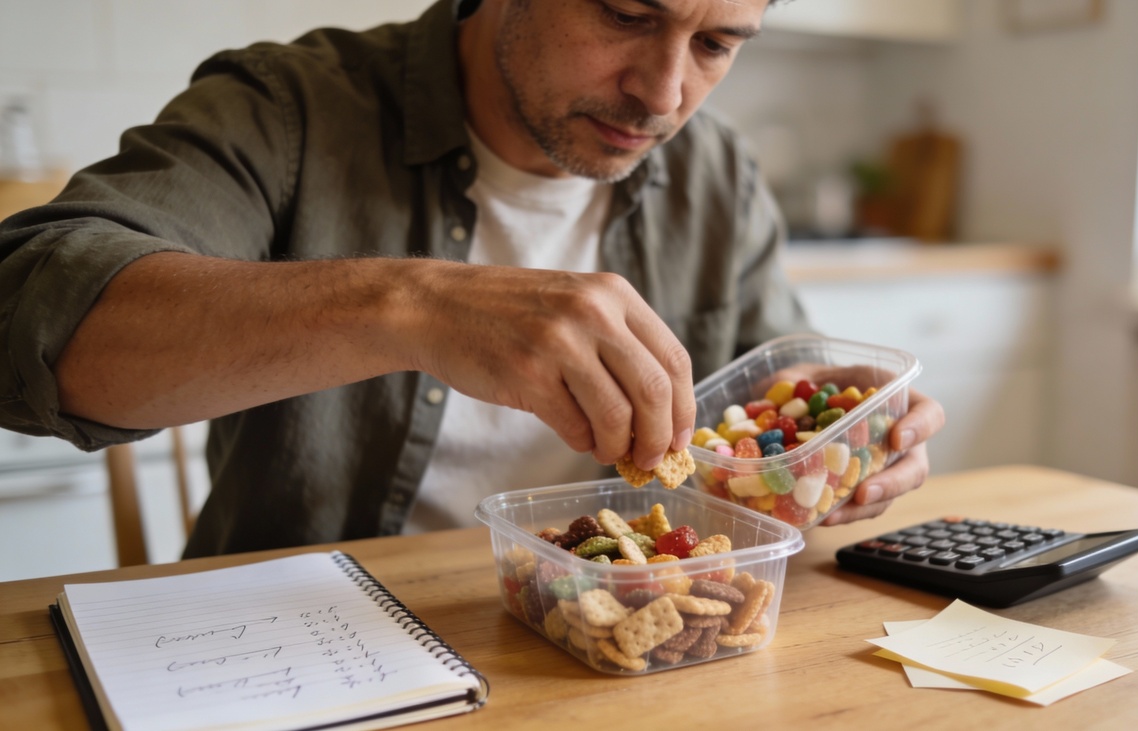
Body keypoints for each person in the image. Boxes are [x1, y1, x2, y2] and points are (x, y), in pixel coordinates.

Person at [0, 0, 944, 557]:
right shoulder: (288, 109)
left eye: (715, 43)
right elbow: (25, 311)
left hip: (603, 655)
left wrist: (844, 448)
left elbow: (773, 416)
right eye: (625, 12)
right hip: (309, 649)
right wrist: (410, 305)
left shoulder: (718, 176)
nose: (663, 96)